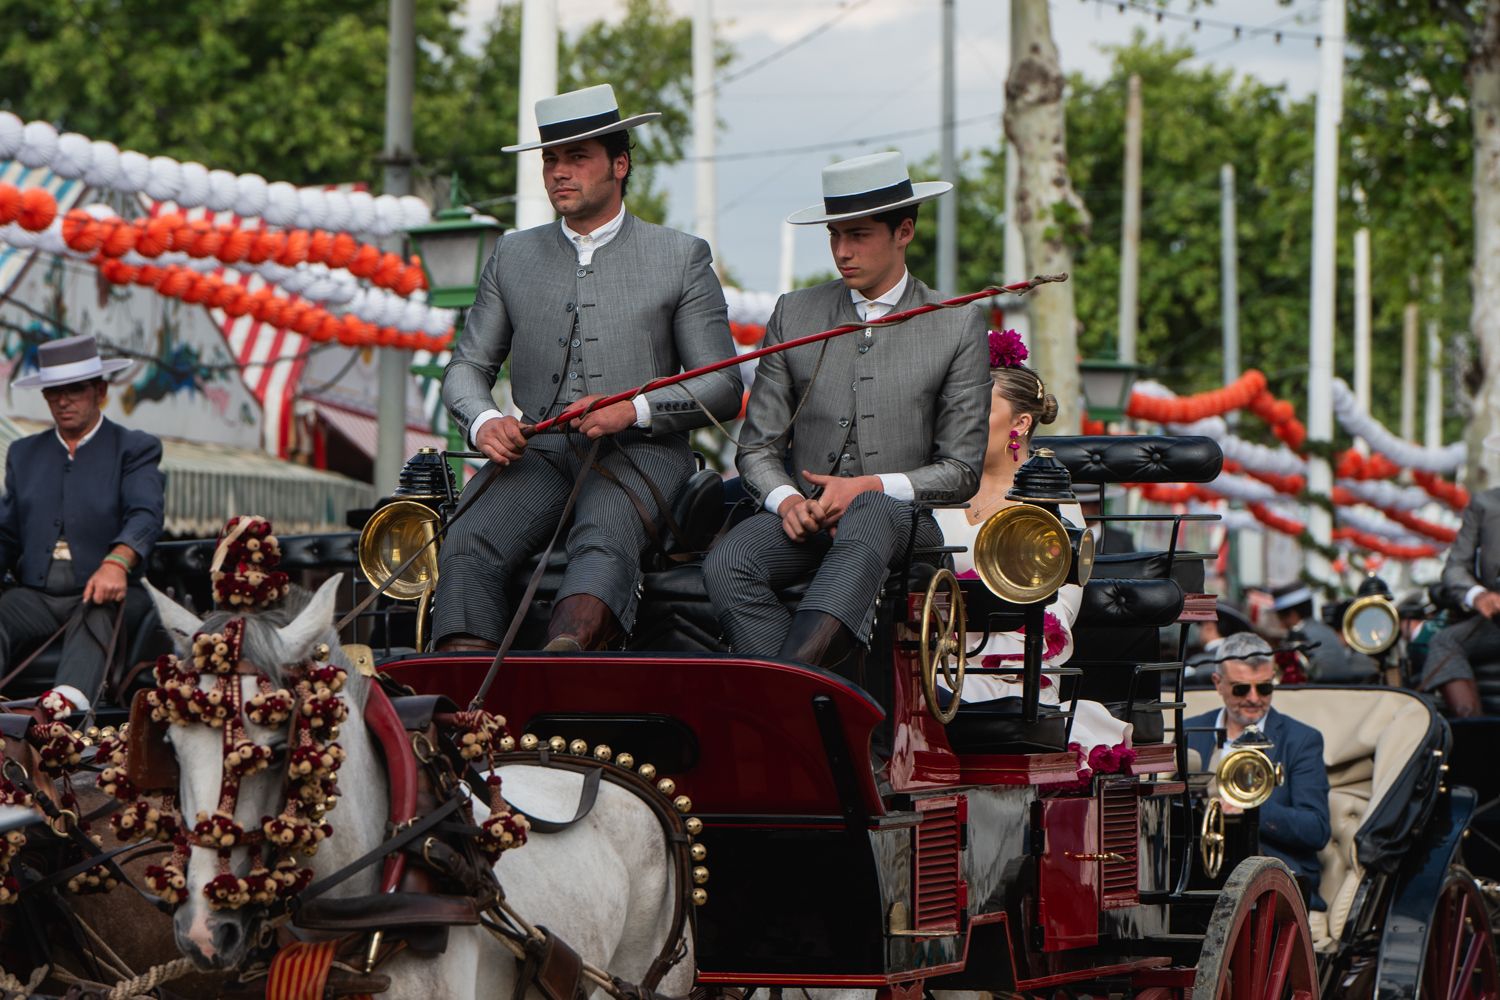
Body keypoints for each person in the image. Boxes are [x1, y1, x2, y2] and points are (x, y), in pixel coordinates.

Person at [436, 84, 742, 654]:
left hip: (643, 455)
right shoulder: (511, 254)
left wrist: (635, 409)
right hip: (542, 451)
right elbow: (466, 367)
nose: (559, 172)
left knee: (602, 538)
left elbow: (723, 385)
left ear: (619, 164)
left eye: (578, 158)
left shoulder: (681, 255)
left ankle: (563, 666)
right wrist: (482, 422)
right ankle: (462, 697)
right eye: (551, 159)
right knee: (467, 538)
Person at [704, 151, 989, 673]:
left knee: (872, 511)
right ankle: (802, 706)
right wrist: (788, 501)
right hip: (803, 522)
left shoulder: (957, 324)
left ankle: (793, 685)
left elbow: (962, 470)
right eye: (834, 235)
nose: (841, 251)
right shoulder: (796, 313)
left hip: (904, 526)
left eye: (857, 235)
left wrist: (870, 487)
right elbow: (757, 446)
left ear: (904, 230)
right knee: (730, 559)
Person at [930, 330, 1130, 774]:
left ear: (1019, 424)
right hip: (927, 657)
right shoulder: (935, 490)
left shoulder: (1050, 506)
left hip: (1003, 673)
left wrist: (970, 640)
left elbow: (1056, 616)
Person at [0, 335, 164, 713]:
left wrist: (117, 563)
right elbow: (7, 534)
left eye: (75, 389)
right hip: (37, 594)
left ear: (100, 390)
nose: (63, 400)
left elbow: (145, 514)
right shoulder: (24, 454)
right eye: (53, 391)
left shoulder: (134, 448)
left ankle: (62, 710)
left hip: (107, 589)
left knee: (99, 606)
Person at [1185, 632, 1331, 909]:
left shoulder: (1301, 739)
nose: (1254, 699)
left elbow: (1317, 829)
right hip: (1196, 869)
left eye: (1264, 688)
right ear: (1218, 684)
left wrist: (1249, 808)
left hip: (1273, 875)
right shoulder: (1190, 732)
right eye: (1241, 689)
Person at [1424, 483, 1500, 716]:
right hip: (1495, 619)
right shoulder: (1484, 503)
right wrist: (1477, 596)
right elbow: (1455, 567)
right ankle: (1474, 731)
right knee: (1444, 642)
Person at [1270, 582, 1377, 683]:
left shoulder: (1298, 637)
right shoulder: (1326, 630)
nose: (1280, 623)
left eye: (1280, 617)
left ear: (1292, 615)